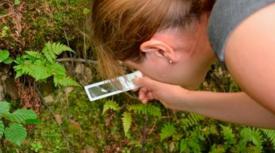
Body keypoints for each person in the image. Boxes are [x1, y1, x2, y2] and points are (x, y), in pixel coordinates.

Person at [90, 0, 275, 128]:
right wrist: (184, 99)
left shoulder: (239, 37)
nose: (147, 77)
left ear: (160, 51)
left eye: (136, 69)